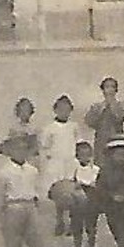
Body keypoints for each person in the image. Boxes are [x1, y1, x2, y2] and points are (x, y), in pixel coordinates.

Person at [41, 95, 82, 236]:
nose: (64, 112)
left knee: (70, 192)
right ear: (55, 110)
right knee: (58, 193)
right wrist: (51, 158)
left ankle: (72, 223)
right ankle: (59, 221)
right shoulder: (50, 128)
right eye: (61, 109)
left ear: (70, 110)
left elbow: (78, 143)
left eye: (67, 109)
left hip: (70, 163)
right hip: (56, 163)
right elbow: (45, 146)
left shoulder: (74, 126)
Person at [66, 140, 101, 247]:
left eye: (88, 155)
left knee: (91, 226)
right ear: (77, 156)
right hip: (77, 200)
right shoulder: (74, 169)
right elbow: (70, 184)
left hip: (91, 199)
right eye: (82, 155)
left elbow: (96, 184)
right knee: (77, 226)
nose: (85, 158)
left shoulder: (95, 169)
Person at [83, 77, 124, 161]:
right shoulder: (97, 106)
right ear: (103, 90)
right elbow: (89, 122)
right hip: (101, 140)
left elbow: (121, 118)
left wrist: (111, 105)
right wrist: (101, 109)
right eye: (107, 87)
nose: (110, 90)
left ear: (116, 90)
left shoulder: (121, 105)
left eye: (113, 87)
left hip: (117, 140)